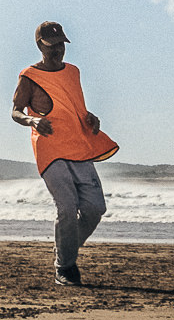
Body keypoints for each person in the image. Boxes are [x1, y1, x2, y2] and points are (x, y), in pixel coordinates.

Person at [12, 21, 118, 287]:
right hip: (50, 150)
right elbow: (15, 111)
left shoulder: (73, 72)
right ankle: (65, 267)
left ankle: (64, 249)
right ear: (40, 46)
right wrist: (33, 121)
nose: (58, 50)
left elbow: (75, 108)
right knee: (67, 208)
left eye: (61, 44)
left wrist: (90, 117)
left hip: (78, 147)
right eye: (52, 46)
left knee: (95, 209)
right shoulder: (29, 76)